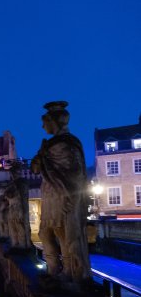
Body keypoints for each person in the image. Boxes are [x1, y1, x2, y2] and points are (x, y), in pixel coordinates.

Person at [30, 101, 90, 287]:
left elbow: (74, 173)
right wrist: (41, 158)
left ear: (53, 122)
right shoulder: (49, 145)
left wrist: (44, 159)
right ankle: (54, 269)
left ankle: (71, 272)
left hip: (64, 194)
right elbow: (35, 169)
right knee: (46, 232)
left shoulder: (67, 144)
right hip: (50, 194)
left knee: (64, 234)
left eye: (45, 122)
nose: (42, 126)